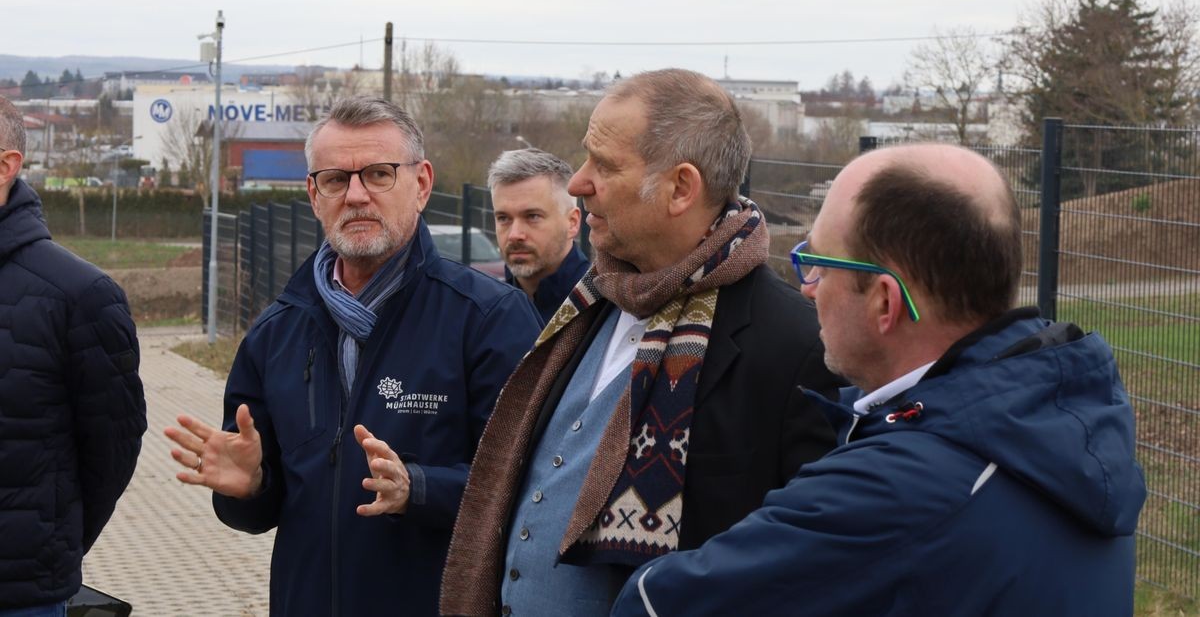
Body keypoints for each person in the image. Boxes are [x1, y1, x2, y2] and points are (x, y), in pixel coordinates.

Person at [611, 143, 1147, 616]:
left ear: (885, 302)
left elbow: (655, 604)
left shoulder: (897, 490)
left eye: (818, 262)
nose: (808, 288)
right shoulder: (1065, 427)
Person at [441, 69, 842, 616]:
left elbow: (811, 574)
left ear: (681, 188)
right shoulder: (588, 305)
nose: (578, 182)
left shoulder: (797, 346)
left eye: (603, 165)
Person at [164, 97, 541, 616]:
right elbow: (259, 506)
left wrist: (419, 488)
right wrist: (249, 488)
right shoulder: (275, 333)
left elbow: (529, 488)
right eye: (336, 179)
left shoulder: (489, 319)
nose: (356, 195)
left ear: (422, 184)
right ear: (314, 194)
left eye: (379, 174)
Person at [0, 96, 147, 615]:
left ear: (5, 166)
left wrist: (48, 546)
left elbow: (112, 447)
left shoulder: (81, 296)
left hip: (20, 595)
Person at [488, 147, 589, 324]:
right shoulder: (484, 312)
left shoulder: (603, 309)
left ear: (572, 222)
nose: (514, 235)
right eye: (503, 218)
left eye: (532, 216)